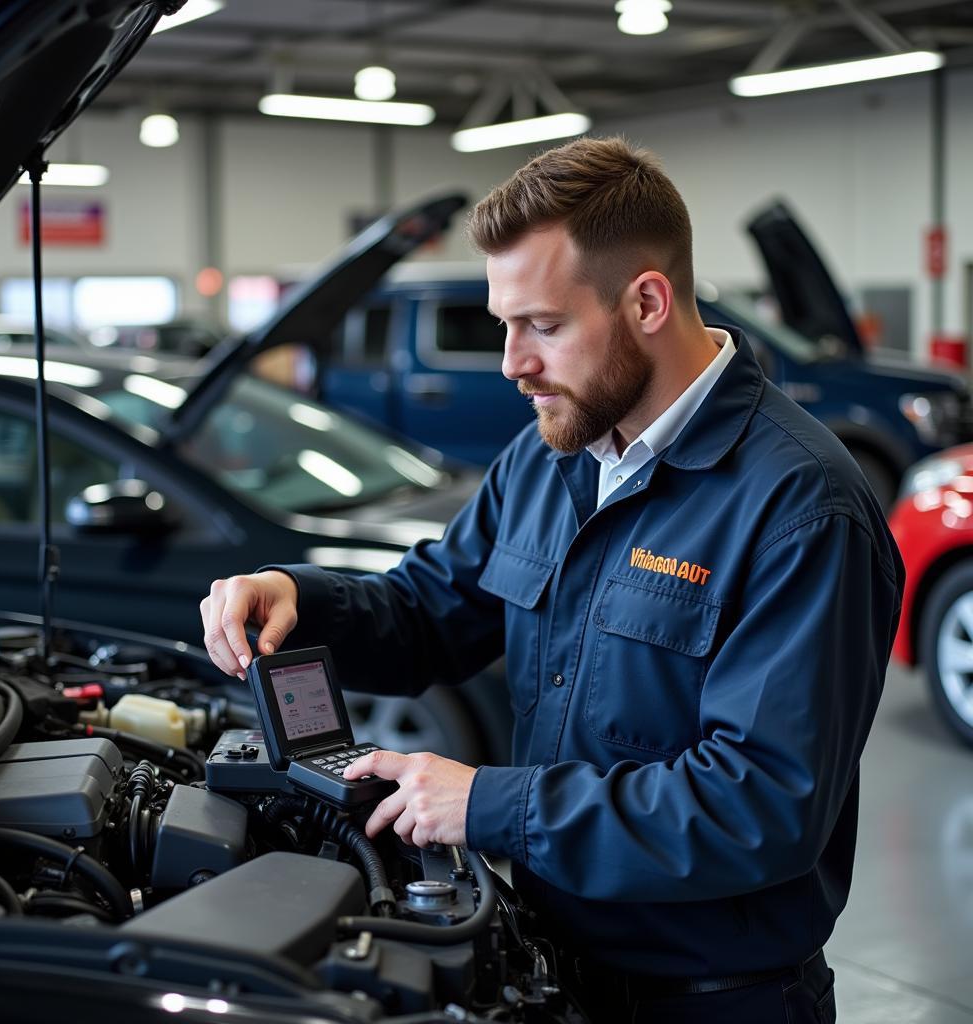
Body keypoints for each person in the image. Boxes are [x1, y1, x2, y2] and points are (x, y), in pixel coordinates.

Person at [200, 137, 903, 1023]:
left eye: (544, 324)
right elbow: (428, 611)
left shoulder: (800, 507)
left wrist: (487, 803)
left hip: (713, 1000)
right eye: (504, 324)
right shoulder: (548, 458)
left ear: (647, 299)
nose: (512, 363)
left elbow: (757, 804)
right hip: (546, 971)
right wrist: (300, 595)